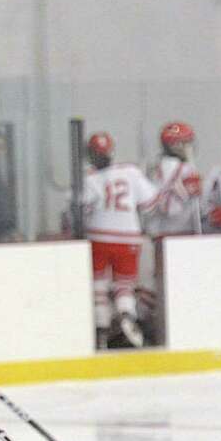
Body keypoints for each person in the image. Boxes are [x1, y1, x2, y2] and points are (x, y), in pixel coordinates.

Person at [80, 133, 160, 349]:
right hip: (128, 236)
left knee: (99, 285)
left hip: (98, 236)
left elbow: (80, 210)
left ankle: (101, 330)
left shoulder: (89, 179)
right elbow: (151, 203)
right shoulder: (130, 172)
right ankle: (126, 320)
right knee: (124, 284)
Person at [145, 121, 202, 237]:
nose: (190, 147)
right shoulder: (175, 167)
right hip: (173, 231)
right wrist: (185, 191)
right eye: (187, 142)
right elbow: (168, 208)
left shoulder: (158, 167)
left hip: (163, 231)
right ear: (175, 145)